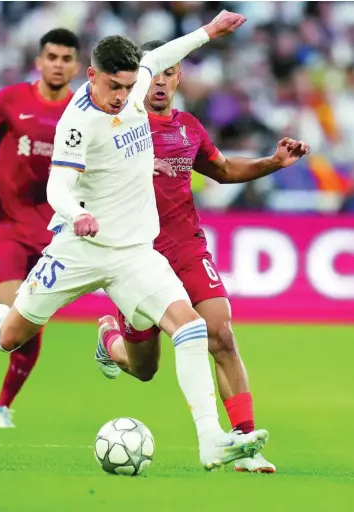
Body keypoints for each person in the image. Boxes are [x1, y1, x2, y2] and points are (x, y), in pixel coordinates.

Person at [0, 11, 270, 471]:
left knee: (191, 328)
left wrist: (208, 32)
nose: (121, 97)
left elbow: (163, 55)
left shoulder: (136, 83)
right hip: (80, 249)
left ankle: (212, 440)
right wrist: (77, 216)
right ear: (91, 76)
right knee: (12, 336)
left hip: (135, 252)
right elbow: (58, 187)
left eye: (128, 86)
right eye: (113, 87)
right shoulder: (77, 123)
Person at [94, 39, 310, 474]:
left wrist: (274, 162)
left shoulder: (188, 127)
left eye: (169, 72)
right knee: (143, 368)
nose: (160, 82)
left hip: (188, 248)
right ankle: (109, 343)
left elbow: (225, 170)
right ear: (138, 78)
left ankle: (245, 444)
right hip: (137, 254)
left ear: (179, 78)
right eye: (153, 73)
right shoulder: (117, 124)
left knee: (222, 336)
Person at [0, 28, 81, 429]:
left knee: (30, 324)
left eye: (66, 58)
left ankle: (2, 405)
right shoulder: (10, 100)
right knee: (16, 316)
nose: (59, 64)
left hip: (54, 231)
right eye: (52, 57)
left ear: (76, 66)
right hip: (7, 225)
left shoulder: (83, 111)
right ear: (39, 61)